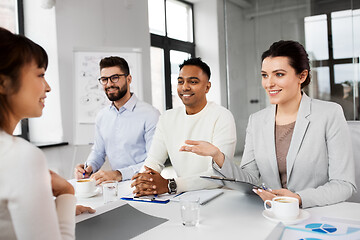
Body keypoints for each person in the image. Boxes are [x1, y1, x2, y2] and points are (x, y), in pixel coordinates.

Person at [184, 40, 357, 208]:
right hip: (271, 214)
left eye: (279, 74)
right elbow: (250, 178)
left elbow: (344, 184)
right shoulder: (257, 121)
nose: (269, 83)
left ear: (302, 76)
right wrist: (218, 156)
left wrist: (299, 198)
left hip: (316, 215)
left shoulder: (329, 114)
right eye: (265, 75)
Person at [0, 27, 77, 239]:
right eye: (40, 75)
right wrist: (66, 194)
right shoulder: (19, 156)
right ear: (3, 82)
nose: (48, 87)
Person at [131, 57, 236, 196]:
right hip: (183, 195)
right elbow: (153, 162)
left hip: (218, 195)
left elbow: (220, 174)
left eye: (193, 82)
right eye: (181, 81)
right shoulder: (167, 118)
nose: (185, 87)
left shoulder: (222, 116)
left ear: (207, 87)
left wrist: (171, 185)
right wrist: (144, 181)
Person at [74, 56, 160, 184]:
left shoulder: (150, 115)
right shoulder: (102, 116)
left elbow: (153, 162)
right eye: (104, 79)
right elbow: (98, 152)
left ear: (128, 79)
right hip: (113, 186)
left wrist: (118, 174)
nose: (109, 84)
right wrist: (88, 167)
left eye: (114, 78)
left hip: (144, 185)